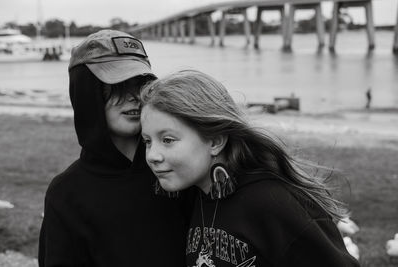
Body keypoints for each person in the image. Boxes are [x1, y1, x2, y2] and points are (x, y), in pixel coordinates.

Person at [140, 70, 361, 267]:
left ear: (215, 141)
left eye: (168, 140)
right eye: (147, 141)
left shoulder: (275, 203)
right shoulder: (197, 197)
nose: (152, 156)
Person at [38, 30, 188, 267]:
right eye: (117, 85)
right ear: (87, 93)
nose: (133, 96)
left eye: (140, 83)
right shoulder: (66, 193)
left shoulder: (178, 168)